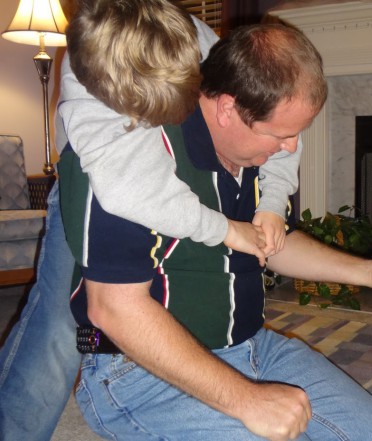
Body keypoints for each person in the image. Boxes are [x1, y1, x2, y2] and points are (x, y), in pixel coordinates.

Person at [59, 20, 372, 441]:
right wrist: (245, 399)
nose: (290, 148)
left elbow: (271, 244)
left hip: (252, 347)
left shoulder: (254, 158)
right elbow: (113, 309)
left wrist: (369, 271)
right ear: (227, 109)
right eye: (281, 135)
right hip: (139, 371)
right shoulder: (126, 159)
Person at [0, 6, 298, 440]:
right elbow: (134, 192)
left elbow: (283, 110)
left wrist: (271, 202)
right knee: (63, 325)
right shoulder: (93, 104)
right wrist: (227, 230)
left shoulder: (203, 46)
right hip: (101, 182)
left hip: (159, 170)